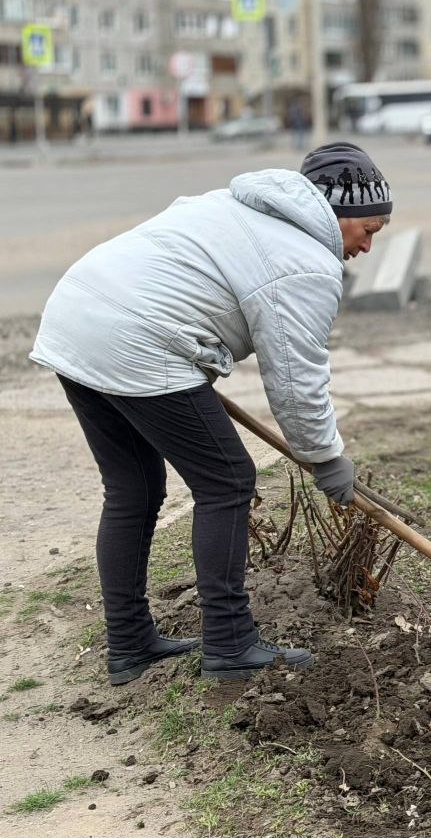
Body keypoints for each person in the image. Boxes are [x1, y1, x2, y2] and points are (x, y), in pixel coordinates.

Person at [29, 142, 392, 684]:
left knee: (134, 487)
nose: (366, 246)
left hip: (77, 318)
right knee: (227, 480)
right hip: (138, 337)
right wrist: (326, 457)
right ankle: (229, 643)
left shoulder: (233, 203)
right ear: (337, 214)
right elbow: (295, 380)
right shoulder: (307, 264)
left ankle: (129, 644)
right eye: (369, 229)